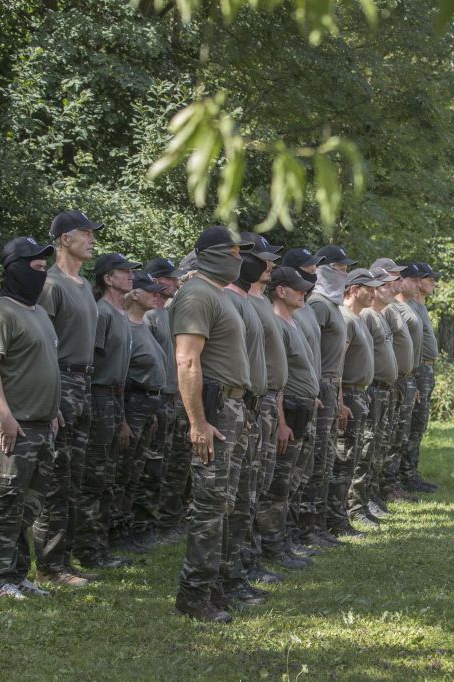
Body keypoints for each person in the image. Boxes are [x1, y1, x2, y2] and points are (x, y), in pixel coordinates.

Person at [171, 226, 254, 623]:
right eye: (235, 252)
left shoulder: (216, 294)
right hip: (214, 414)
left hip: (231, 409)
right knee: (209, 505)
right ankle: (194, 595)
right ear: (214, 254)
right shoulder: (196, 294)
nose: (240, 259)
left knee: (226, 503)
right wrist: (198, 423)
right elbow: (187, 360)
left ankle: (217, 588)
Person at [0, 237, 60, 599]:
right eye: (36, 269)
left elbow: (43, 366)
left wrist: (53, 410)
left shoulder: (39, 313)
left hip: (41, 426)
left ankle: (18, 575)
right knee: (5, 504)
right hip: (11, 428)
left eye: (44, 270)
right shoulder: (2, 313)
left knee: (29, 507)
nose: (41, 276)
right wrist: (4, 416)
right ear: (16, 270)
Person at [33, 210, 102, 587]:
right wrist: (52, 396)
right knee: (56, 477)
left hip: (85, 385)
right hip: (62, 382)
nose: (92, 239)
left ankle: (64, 558)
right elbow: (42, 343)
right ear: (63, 238)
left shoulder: (84, 284)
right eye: (85, 233)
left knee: (74, 476)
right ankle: (49, 566)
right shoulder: (51, 283)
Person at [218, 235, 278, 598]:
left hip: (250, 406)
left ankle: (238, 569)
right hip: (231, 406)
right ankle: (227, 575)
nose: (268, 266)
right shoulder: (226, 300)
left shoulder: (251, 301)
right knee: (230, 499)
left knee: (247, 495)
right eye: (262, 260)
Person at [73, 252, 140, 570]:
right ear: (107, 278)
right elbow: (91, 363)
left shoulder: (122, 314)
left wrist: (123, 418)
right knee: (94, 477)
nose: (130, 276)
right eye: (123, 272)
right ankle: (87, 549)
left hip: (114, 400)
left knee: (108, 475)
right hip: (97, 398)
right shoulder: (102, 313)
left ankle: (99, 545)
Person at [241, 234, 300, 579]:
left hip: (268, 399)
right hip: (248, 404)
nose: (271, 265)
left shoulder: (260, 302)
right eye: (264, 259)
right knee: (246, 489)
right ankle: (243, 563)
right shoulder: (239, 302)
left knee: (260, 484)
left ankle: (253, 557)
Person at [261, 266, 322, 562]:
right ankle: (272, 546)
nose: (304, 293)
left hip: (304, 407)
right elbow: (278, 379)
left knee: (296, 480)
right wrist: (281, 423)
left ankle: (285, 539)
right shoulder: (277, 323)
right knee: (279, 484)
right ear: (281, 290)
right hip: (289, 412)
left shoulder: (295, 321)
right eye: (298, 288)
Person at [111, 271, 168, 553]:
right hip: (131, 406)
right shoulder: (124, 326)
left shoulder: (143, 326)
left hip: (148, 406)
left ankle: (128, 528)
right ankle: (113, 533)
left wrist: (154, 412)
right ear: (134, 294)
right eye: (151, 291)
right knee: (122, 471)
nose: (156, 296)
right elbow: (118, 376)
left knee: (137, 471)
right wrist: (122, 419)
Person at [304, 245, 356, 544]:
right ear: (323, 269)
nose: (344, 274)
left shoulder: (332, 306)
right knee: (317, 458)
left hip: (331, 383)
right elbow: (311, 351)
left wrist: (338, 398)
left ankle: (320, 524)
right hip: (319, 384)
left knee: (325, 458)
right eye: (340, 268)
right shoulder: (319, 305)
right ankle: (307, 527)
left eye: (346, 269)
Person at [329, 267, 383, 536]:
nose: (374, 293)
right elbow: (337, 365)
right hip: (348, 395)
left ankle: (352, 511)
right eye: (368, 288)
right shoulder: (346, 318)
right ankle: (339, 516)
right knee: (345, 458)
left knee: (355, 457)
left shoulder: (359, 318)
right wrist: (340, 402)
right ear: (352, 289)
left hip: (360, 394)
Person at [136, 257, 184, 546]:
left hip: (171, 398)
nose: (175, 284)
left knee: (168, 464)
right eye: (169, 279)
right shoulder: (149, 316)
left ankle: (164, 520)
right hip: (153, 399)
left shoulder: (168, 313)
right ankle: (141, 525)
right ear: (154, 280)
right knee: (149, 465)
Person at [350, 264, 401, 525]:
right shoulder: (366, 315)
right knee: (365, 447)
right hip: (369, 390)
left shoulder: (378, 315)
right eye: (381, 285)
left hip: (380, 389)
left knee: (376, 446)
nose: (388, 288)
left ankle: (369, 496)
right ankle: (358, 503)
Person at [380, 262, 421, 504]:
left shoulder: (393, 307)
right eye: (392, 277)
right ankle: (384, 487)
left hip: (403, 379)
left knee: (397, 436)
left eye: (397, 277)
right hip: (389, 383)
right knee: (388, 437)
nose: (396, 281)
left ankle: (390, 485)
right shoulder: (385, 308)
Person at [403, 262, 439, 493]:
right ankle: (404, 475)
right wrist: (413, 378)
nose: (433, 283)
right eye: (429, 279)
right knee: (411, 425)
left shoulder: (421, 307)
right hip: (416, 372)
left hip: (426, 370)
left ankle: (410, 472)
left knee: (419, 424)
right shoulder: (408, 308)